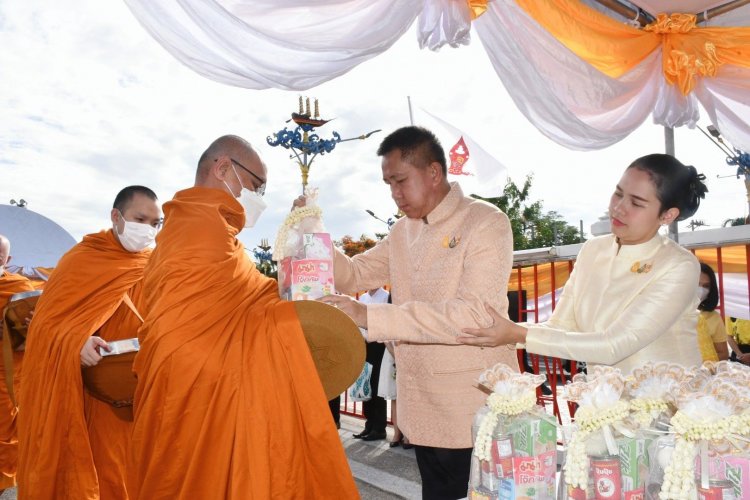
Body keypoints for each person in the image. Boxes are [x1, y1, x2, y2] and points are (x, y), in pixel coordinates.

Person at [128, 135, 357, 499]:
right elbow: (251, 312)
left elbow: (249, 300)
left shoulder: (195, 228)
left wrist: (301, 242)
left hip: (181, 390)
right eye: (256, 185)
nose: (259, 198)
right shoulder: (203, 228)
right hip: (200, 387)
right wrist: (298, 290)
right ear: (222, 169)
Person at [320, 126, 517, 500]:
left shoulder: (485, 221)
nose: (394, 194)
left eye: (400, 181)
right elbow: (354, 274)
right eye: (388, 184)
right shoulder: (401, 232)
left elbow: (473, 314)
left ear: (434, 173)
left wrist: (370, 316)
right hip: (422, 404)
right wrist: (315, 233)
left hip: (470, 404)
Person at [459, 153, 707, 374]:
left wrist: (517, 334)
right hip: (603, 402)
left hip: (669, 409)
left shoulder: (679, 265)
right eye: (618, 193)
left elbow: (613, 345)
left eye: (636, 203)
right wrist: (501, 330)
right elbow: (561, 326)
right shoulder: (593, 250)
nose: (619, 208)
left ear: (668, 215)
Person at [17, 186, 161, 499]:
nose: (148, 229)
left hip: (133, 397)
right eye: (140, 219)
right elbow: (44, 324)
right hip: (82, 396)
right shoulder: (83, 259)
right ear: (116, 216)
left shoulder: (155, 264)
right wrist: (76, 341)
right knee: (83, 477)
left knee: (127, 477)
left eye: (155, 223)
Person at [0, 234, 36, 493]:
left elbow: (38, 329)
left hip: (8, 375)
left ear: (8, 260)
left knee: (6, 439)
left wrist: (32, 325)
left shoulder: (21, 288)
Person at [352, 287, 389, 442]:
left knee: (376, 384)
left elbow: (385, 322)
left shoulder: (386, 296)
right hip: (364, 344)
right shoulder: (363, 298)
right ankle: (369, 424)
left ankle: (379, 428)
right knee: (365, 382)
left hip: (379, 345)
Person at [697, 262, 729, 362]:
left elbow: (723, 354)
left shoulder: (713, 317)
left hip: (703, 374)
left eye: (706, 286)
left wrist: (699, 363)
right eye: (696, 284)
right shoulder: (671, 313)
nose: (701, 290)